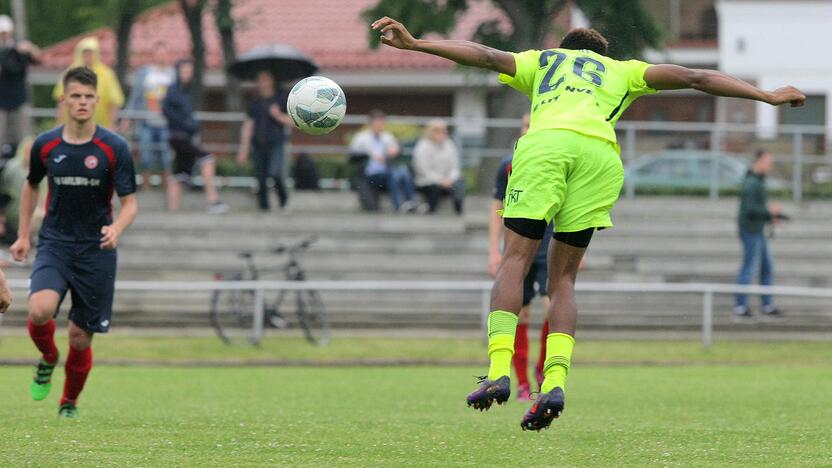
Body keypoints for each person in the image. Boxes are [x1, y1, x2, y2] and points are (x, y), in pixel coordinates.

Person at [372, 16, 805, 431]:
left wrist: (416, 44)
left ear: (565, 51)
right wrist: (764, 96)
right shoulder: (624, 70)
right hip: (599, 158)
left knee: (515, 260)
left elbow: (484, 54)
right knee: (563, 280)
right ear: (603, 54)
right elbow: (697, 77)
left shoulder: (542, 61)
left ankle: (499, 370)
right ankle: (555, 384)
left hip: (545, 148)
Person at [9, 67, 139, 418]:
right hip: (55, 243)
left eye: (88, 97)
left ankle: (69, 402)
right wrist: (23, 234)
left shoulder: (114, 148)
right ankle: (49, 357)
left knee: (81, 337)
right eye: (75, 96)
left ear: (97, 101)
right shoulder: (46, 144)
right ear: (64, 100)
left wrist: (117, 229)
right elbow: (31, 185)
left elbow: (130, 203)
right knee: (39, 310)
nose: (82, 102)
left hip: (96, 249)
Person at [489, 113, 551, 401]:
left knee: (551, 307)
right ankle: (523, 382)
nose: (529, 129)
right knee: (522, 313)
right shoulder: (508, 163)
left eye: (533, 125)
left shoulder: (554, 158)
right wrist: (495, 250)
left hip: (550, 245)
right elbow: (496, 208)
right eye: (525, 125)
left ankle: (543, 370)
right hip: (519, 246)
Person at [162, 58, 228, 213]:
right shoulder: (173, 90)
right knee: (207, 158)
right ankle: (213, 201)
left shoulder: (186, 91)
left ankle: (172, 211)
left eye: (189, 72)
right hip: (178, 137)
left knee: (179, 174)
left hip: (184, 137)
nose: (187, 74)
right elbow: (169, 113)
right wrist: (190, 125)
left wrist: (191, 126)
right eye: (184, 71)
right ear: (178, 72)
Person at [735, 149, 784, 318]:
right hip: (750, 230)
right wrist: (770, 213)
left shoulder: (758, 181)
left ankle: (767, 305)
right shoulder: (752, 183)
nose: (770, 165)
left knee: (766, 267)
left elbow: (757, 209)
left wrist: (771, 217)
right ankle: (741, 306)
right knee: (748, 267)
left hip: (757, 229)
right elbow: (750, 209)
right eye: (768, 161)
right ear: (759, 161)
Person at [122, 42, 175, 197]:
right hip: (146, 121)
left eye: (164, 54)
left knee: (166, 156)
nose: (161, 57)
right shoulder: (145, 73)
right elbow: (135, 97)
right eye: (158, 54)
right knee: (146, 156)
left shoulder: (173, 74)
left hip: (166, 123)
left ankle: (168, 192)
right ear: (154, 55)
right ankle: (146, 192)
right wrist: (127, 117)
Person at [237, 71, 293, 211]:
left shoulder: (281, 99)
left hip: (276, 143)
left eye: (266, 79)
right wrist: (244, 149)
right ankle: (263, 208)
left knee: (275, 173)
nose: (263, 83)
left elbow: (293, 122)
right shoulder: (255, 102)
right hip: (258, 144)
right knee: (260, 178)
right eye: (260, 80)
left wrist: (278, 115)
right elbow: (248, 125)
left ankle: (283, 200)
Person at [349, 110, 416, 212]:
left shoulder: (387, 137)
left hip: (387, 171)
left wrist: (396, 151)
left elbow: (396, 150)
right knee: (394, 174)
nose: (380, 125)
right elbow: (352, 155)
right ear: (371, 123)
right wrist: (369, 155)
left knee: (403, 171)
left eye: (381, 122)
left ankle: (410, 203)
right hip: (370, 174)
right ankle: (398, 206)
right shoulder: (361, 138)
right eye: (377, 122)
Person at [53, 37, 124, 129]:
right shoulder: (69, 73)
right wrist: (59, 122)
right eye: (85, 53)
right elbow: (61, 101)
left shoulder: (107, 74)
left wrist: (112, 124)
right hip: (72, 126)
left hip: (101, 126)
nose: (88, 56)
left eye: (91, 53)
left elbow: (113, 101)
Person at [0, 15, 40, 153]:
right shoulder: (7, 50)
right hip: (1, 101)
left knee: (24, 138)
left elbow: (38, 59)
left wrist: (30, 48)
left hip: (18, 98)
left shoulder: (20, 47)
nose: (4, 36)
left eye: (5, 32)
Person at [412, 119, 465, 215]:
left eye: (444, 130)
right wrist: (441, 180)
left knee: (460, 183)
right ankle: (431, 210)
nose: (443, 133)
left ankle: (459, 212)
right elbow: (424, 171)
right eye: (439, 130)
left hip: (448, 181)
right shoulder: (422, 147)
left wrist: (450, 179)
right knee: (434, 189)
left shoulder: (449, 145)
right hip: (427, 182)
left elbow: (454, 167)